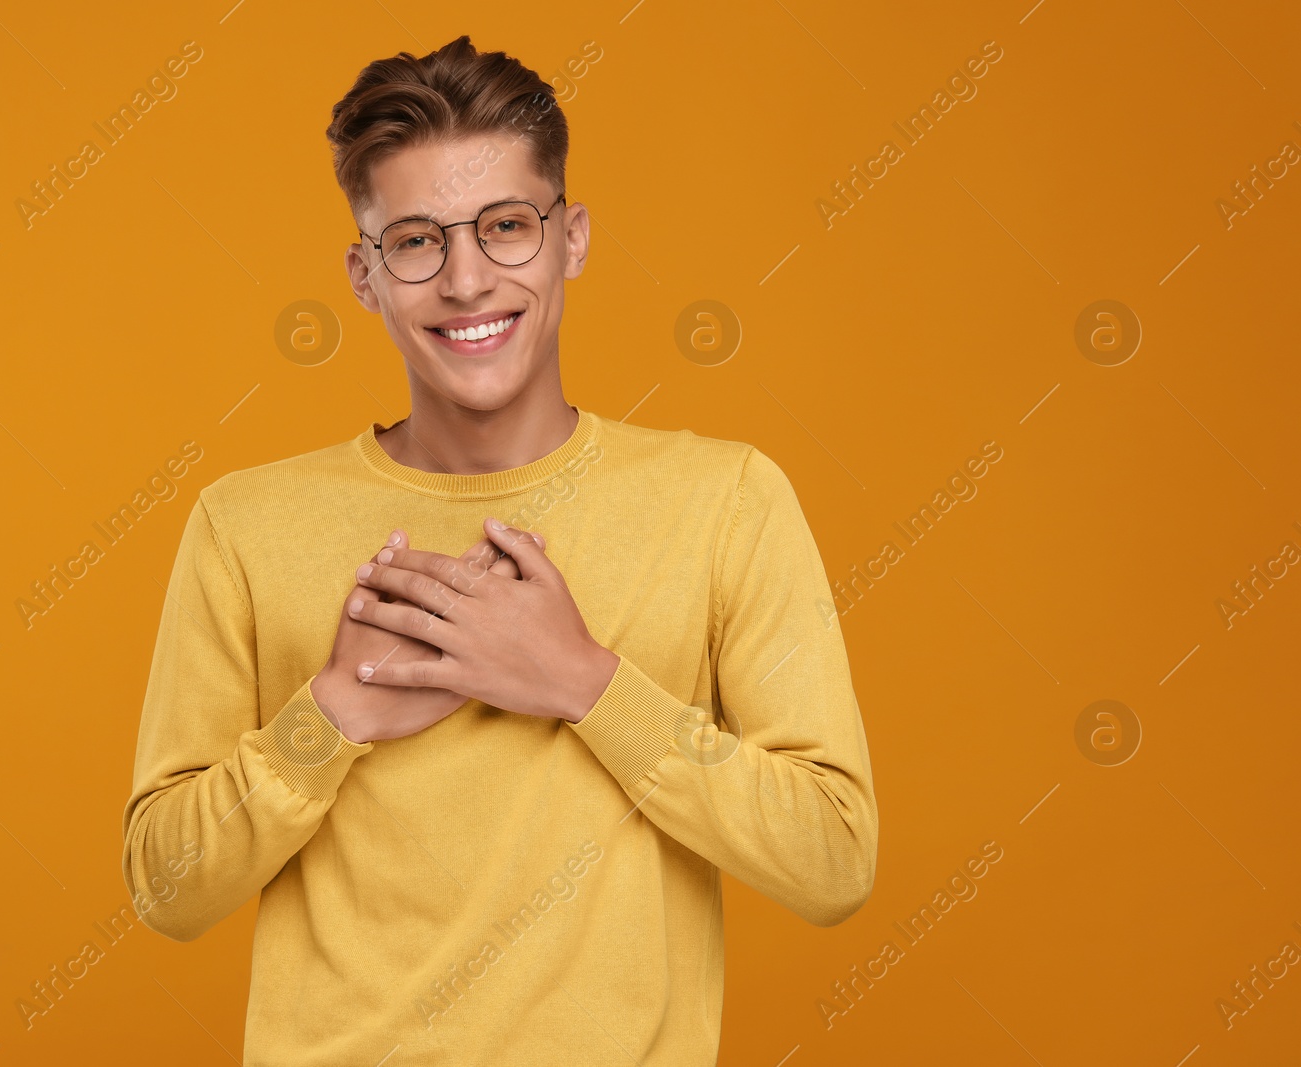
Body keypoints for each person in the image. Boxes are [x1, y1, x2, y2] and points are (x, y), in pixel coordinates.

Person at [121, 34, 877, 1066]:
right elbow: (166, 889)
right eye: (418, 241)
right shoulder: (243, 522)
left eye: (506, 227)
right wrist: (332, 713)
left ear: (570, 238)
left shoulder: (724, 499)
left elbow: (831, 857)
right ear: (364, 274)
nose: (468, 280)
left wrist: (582, 682)